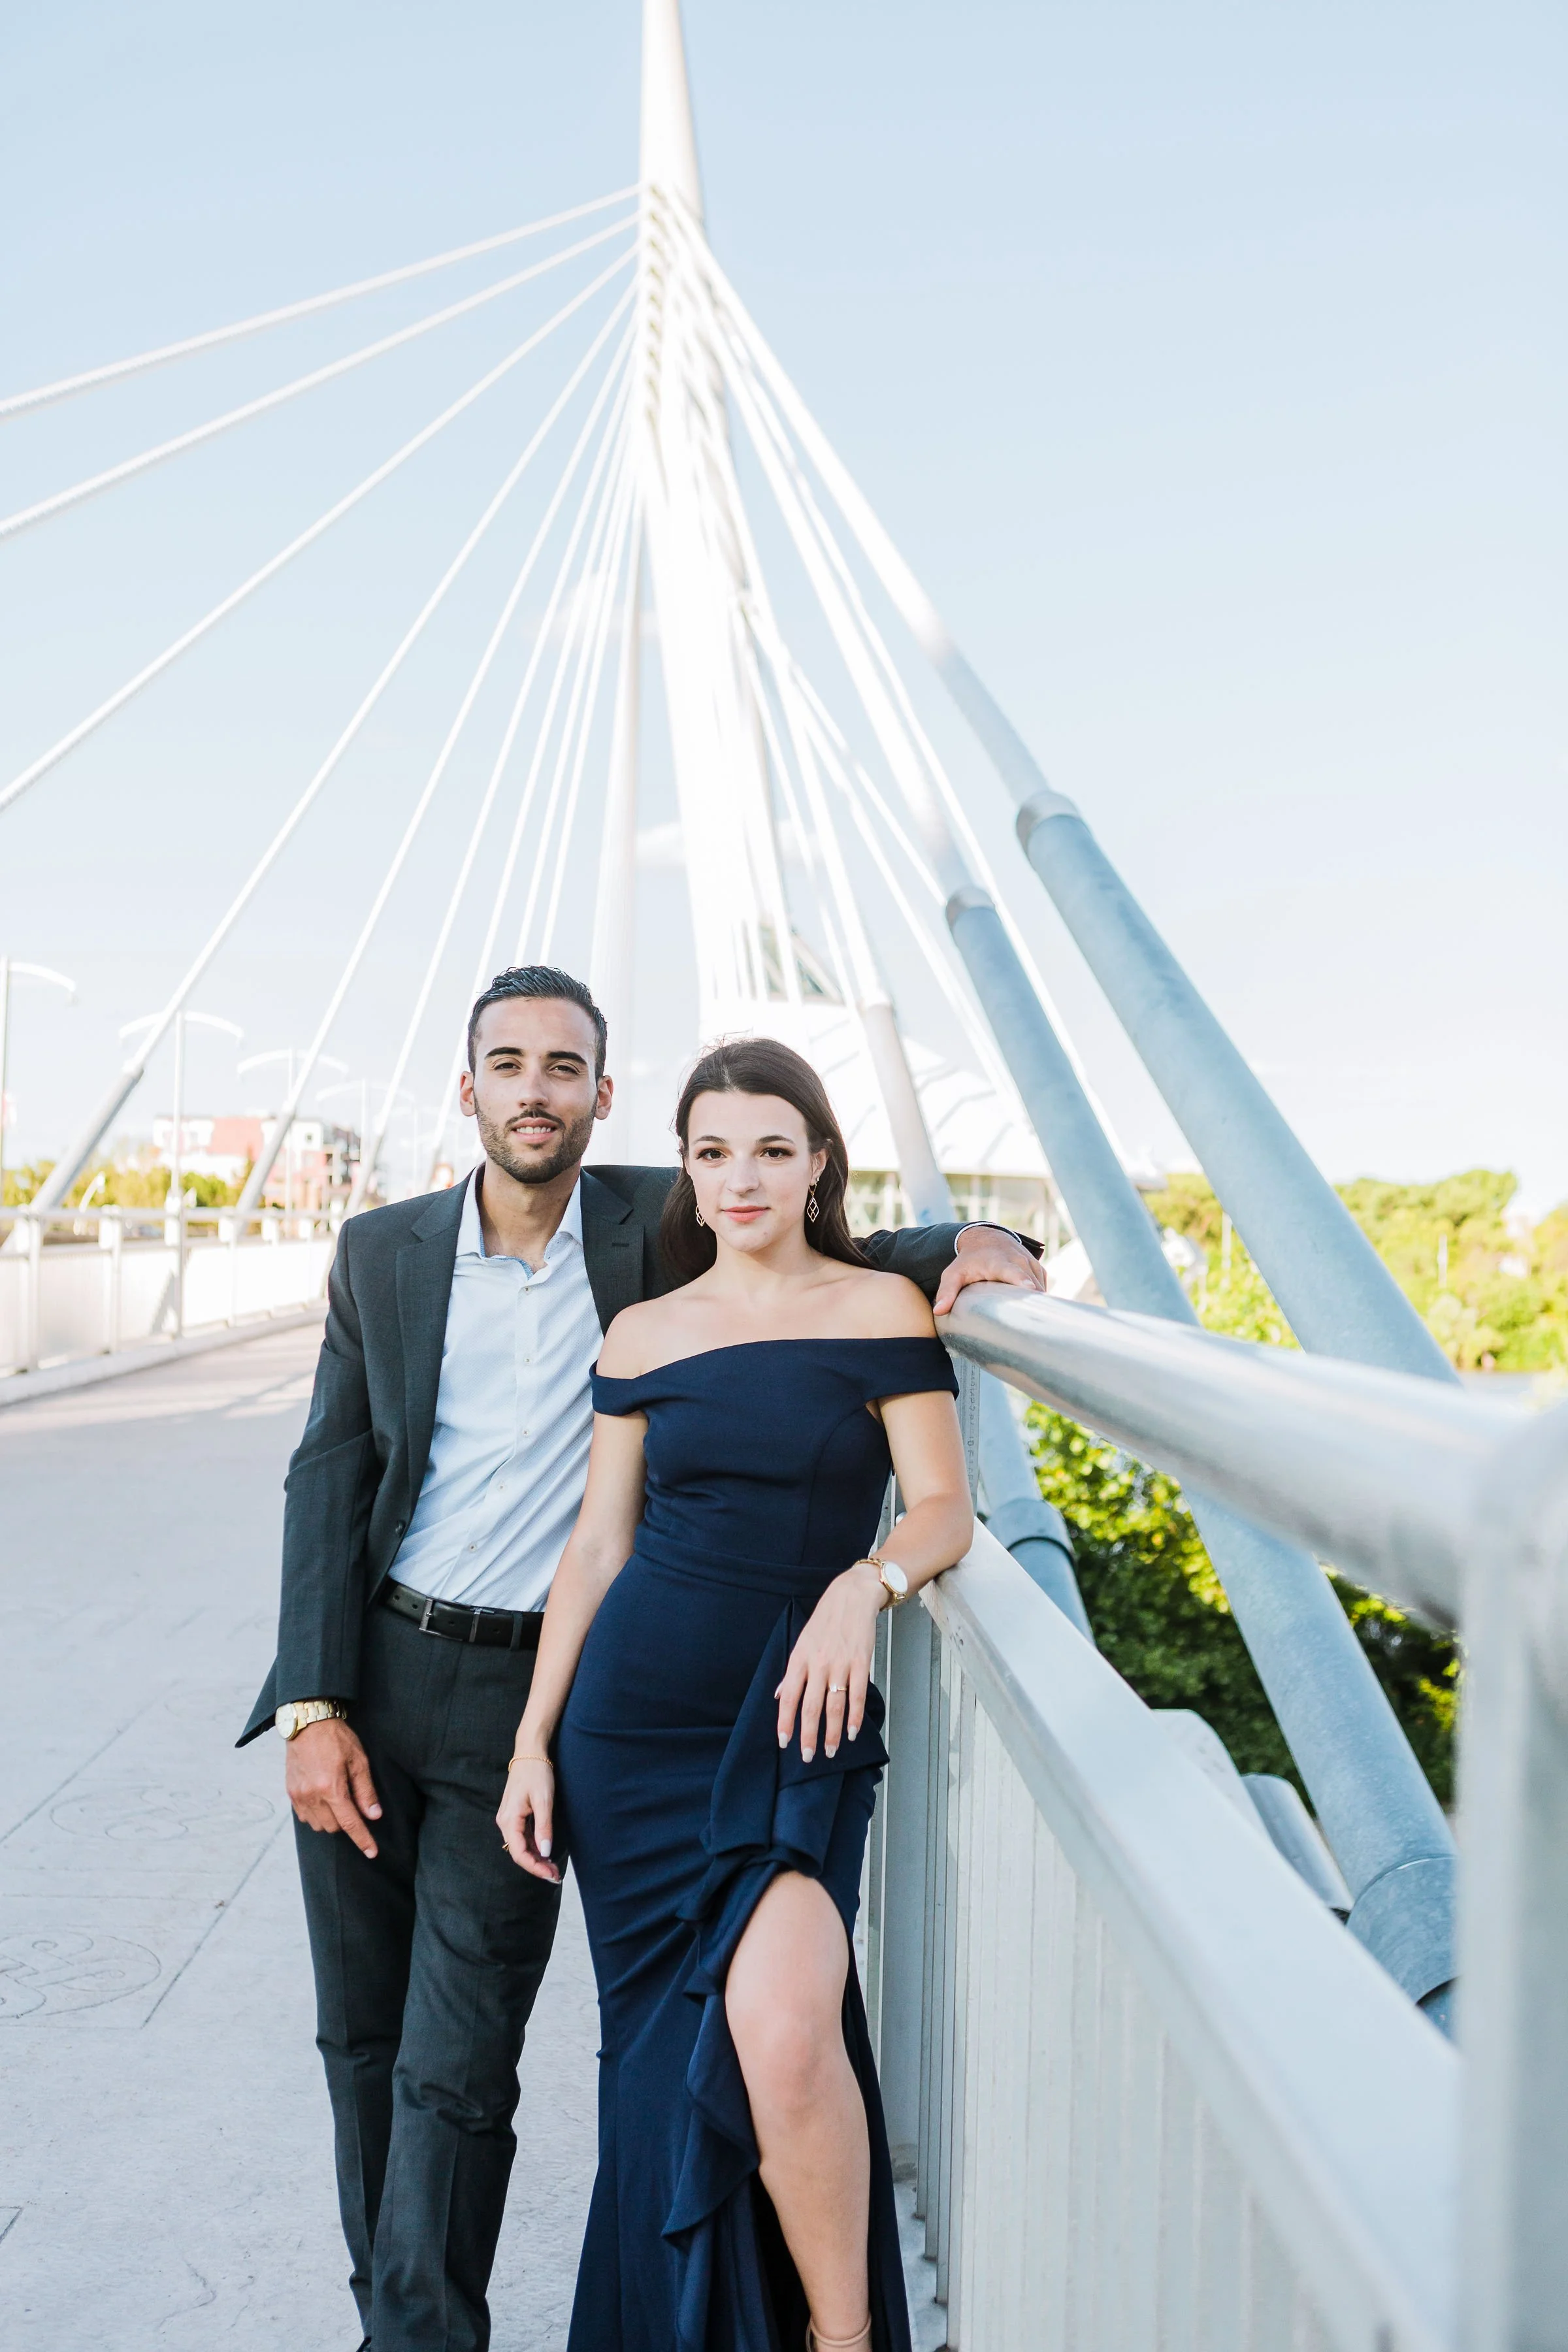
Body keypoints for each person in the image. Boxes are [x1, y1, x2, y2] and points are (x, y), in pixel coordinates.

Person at [236, 965, 1044, 2352]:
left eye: (565, 1069)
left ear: (601, 1100)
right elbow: (330, 1474)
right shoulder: (380, 1252)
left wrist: (978, 1232)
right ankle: (404, 2316)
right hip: (384, 1674)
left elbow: (807, 1257)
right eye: (508, 1063)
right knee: (360, 2044)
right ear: (470, 1083)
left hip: (542, 1691)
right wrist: (312, 1701)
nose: (535, 1090)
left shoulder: (639, 1239)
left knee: (457, 2063)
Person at [498, 1036, 975, 2352]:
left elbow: (944, 1508)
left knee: (778, 2025)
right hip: (630, 1731)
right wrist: (534, 1743)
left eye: (772, 1147)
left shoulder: (883, 1310)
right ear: (691, 1173)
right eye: (714, 1152)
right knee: (657, 2071)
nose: (742, 1176)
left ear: (820, 1161)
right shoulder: (646, 1331)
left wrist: (858, 1589)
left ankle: (842, 2336)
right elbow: (598, 1547)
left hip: (798, 1722)